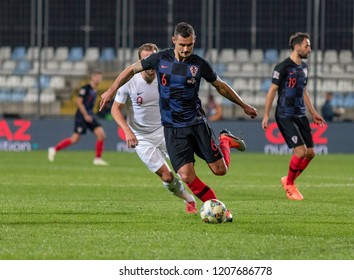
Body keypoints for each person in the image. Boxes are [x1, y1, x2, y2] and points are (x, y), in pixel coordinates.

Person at [99, 22, 258, 221]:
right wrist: (112, 90)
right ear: (174, 41)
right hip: (173, 129)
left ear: (194, 42)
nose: (185, 49)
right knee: (186, 176)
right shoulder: (159, 59)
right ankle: (221, 211)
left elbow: (221, 86)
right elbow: (131, 70)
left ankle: (224, 139)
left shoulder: (199, 64)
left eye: (189, 45)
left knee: (220, 170)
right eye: (182, 44)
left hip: (197, 124)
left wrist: (243, 105)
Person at [111, 43, 197, 214]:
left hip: (166, 131)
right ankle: (189, 200)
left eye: (153, 59)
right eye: (146, 60)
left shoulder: (166, 77)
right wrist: (127, 130)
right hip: (142, 138)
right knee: (167, 176)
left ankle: (209, 200)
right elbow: (115, 109)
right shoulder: (129, 82)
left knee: (186, 172)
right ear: (140, 61)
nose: (150, 64)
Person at [261, 32, 325, 201]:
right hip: (285, 114)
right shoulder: (282, 67)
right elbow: (272, 91)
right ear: (297, 47)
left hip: (300, 114)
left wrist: (313, 112)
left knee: (310, 153)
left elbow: (303, 91)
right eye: (307, 46)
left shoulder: (304, 68)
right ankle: (289, 186)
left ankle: (288, 180)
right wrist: (266, 115)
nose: (309, 49)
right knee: (301, 151)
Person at [48, 70, 109, 166]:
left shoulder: (94, 90)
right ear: (92, 77)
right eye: (97, 77)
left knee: (101, 135)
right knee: (75, 139)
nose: (98, 79)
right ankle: (54, 149)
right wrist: (85, 115)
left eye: (100, 77)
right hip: (82, 116)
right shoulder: (85, 88)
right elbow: (78, 102)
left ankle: (97, 159)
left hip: (89, 115)